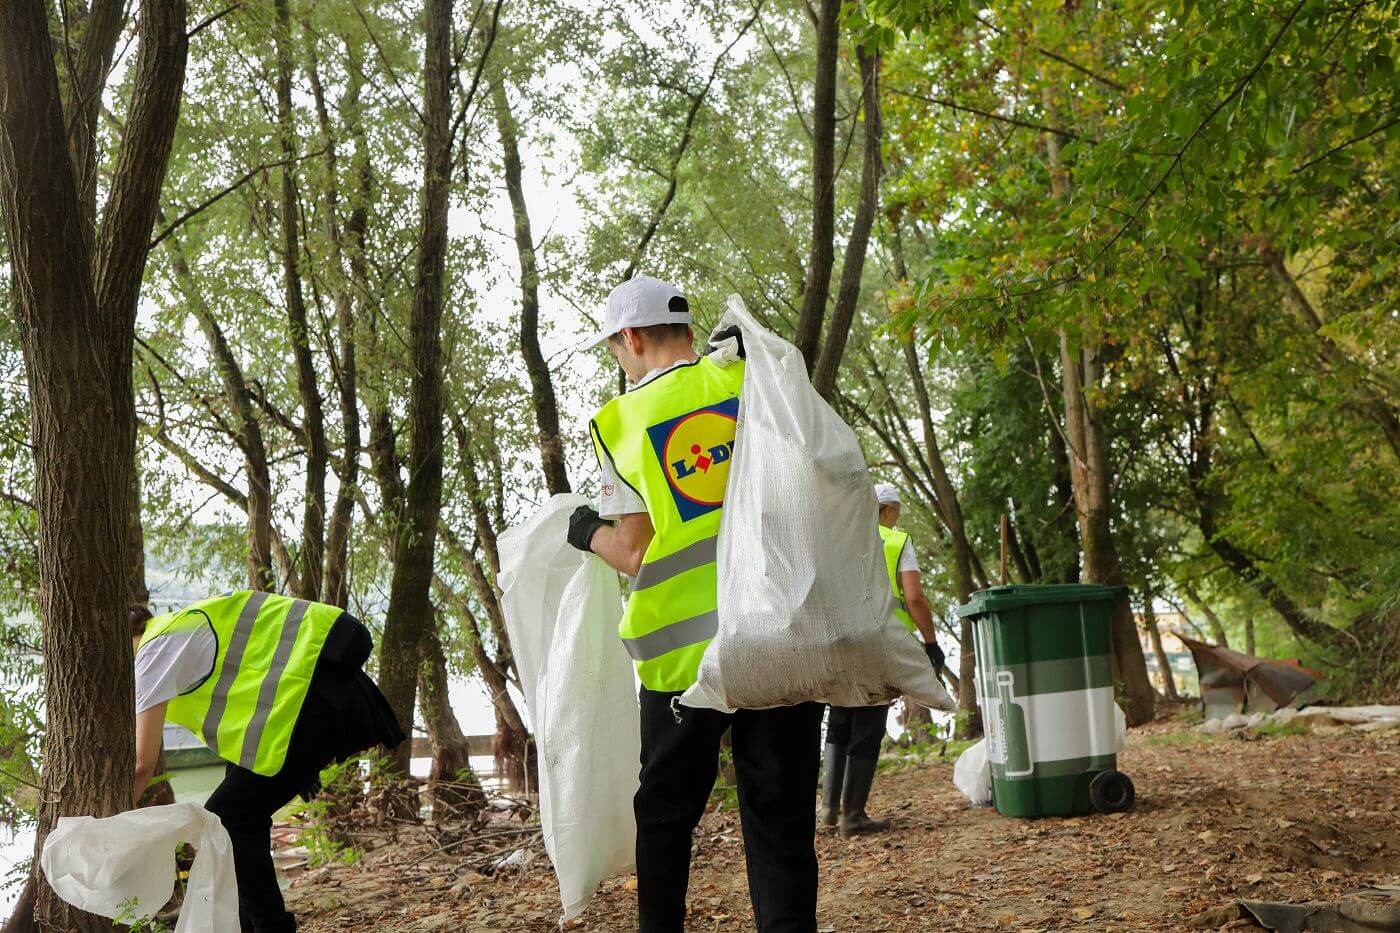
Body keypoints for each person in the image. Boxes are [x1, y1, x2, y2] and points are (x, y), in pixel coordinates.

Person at [567, 275, 823, 933]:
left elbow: (634, 551)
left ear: (630, 338)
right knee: (781, 815)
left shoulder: (620, 421)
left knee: (666, 815)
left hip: (683, 658)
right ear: (686, 328)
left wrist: (587, 530)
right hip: (780, 634)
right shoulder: (749, 381)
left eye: (614, 348)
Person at [130, 592, 405, 933]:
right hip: (300, 709)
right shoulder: (174, 629)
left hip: (310, 706)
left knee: (227, 818)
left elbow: (142, 765)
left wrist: (109, 821)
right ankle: (246, 925)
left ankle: (271, 927)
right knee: (239, 820)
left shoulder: (152, 652)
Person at [819, 483, 946, 837]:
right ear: (888, 510)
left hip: (840, 638)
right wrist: (931, 643)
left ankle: (829, 809)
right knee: (868, 724)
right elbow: (914, 597)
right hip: (879, 641)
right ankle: (853, 816)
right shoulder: (896, 541)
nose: (897, 519)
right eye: (897, 513)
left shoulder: (839, 539)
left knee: (840, 718)